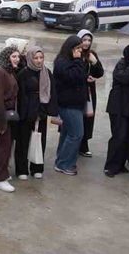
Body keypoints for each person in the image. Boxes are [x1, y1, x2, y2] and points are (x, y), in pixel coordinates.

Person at [14, 45, 60, 180]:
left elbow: (52, 93)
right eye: (36, 58)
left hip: (41, 113)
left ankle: (37, 168)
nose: (39, 60)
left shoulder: (47, 73)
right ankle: (22, 169)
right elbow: (20, 96)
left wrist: (46, 111)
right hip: (27, 113)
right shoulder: (23, 73)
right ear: (30, 58)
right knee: (23, 141)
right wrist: (26, 113)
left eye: (41, 57)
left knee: (40, 141)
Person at [103, 44, 129, 177]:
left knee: (126, 137)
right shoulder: (122, 64)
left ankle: (120, 164)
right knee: (118, 136)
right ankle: (111, 166)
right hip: (118, 106)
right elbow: (124, 78)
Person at [53, 36, 87, 176]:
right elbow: (75, 77)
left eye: (80, 48)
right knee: (76, 134)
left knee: (67, 133)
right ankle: (64, 163)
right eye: (77, 48)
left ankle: (61, 160)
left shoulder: (72, 62)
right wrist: (78, 60)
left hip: (76, 103)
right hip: (68, 104)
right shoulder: (62, 62)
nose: (79, 51)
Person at [0, 46, 21, 192]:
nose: (17, 59)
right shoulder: (0, 73)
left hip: (8, 114)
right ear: (7, 57)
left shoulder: (9, 71)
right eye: (13, 56)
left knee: (3, 144)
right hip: (2, 115)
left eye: (18, 56)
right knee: (4, 146)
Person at [76, 29, 103, 157]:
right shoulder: (75, 53)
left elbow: (100, 72)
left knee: (87, 117)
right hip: (76, 91)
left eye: (89, 40)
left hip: (89, 92)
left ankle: (84, 144)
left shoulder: (92, 54)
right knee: (76, 119)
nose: (86, 43)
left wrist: (95, 62)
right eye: (84, 40)